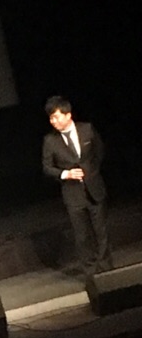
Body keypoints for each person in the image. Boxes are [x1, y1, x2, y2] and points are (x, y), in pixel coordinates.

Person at [43, 96, 112, 277]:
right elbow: (47, 167)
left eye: (56, 117)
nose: (53, 121)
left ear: (68, 115)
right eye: (51, 118)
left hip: (94, 188)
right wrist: (66, 174)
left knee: (101, 231)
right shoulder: (50, 140)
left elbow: (99, 152)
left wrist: (91, 172)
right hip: (72, 193)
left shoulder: (87, 129)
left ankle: (106, 268)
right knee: (82, 235)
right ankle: (90, 271)